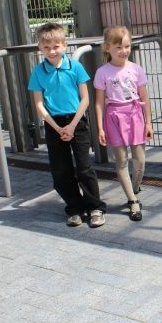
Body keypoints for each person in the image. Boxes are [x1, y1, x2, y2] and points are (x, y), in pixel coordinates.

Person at [28, 22, 107, 227]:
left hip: (76, 121)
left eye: (56, 46)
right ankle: (74, 207)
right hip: (53, 124)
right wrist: (57, 128)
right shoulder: (38, 72)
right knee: (60, 170)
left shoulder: (75, 67)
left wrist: (71, 126)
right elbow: (39, 103)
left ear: (64, 45)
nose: (51, 51)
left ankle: (95, 207)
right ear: (40, 47)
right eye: (46, 47)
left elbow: (85, 99)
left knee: (84, 167)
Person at [94, 26, 153, 222]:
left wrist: (148, 123)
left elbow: (144, 97)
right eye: (118, 47)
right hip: (114, 117)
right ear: (107, 48)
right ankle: (132, 201)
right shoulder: (102, 72)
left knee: (140, 160)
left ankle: (134, 188)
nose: (124, 51)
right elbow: (99, 102)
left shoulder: (136, 69)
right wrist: (100, 127)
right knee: (121, 161)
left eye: (127, 46)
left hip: (135, 115)